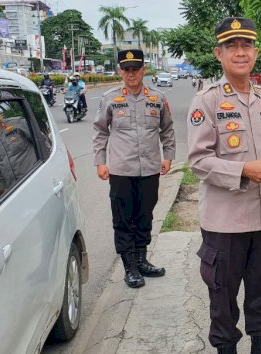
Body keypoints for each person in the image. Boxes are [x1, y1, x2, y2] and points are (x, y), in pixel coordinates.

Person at [186, 17, 261, 354]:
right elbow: (198, 160)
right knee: (223, 298)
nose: (241, 52)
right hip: (225, 223)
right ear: (219, 53)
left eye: (246, 45)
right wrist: (245, 169)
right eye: (232, 46)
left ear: (255, 52)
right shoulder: (208, 101)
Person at [92, 49, 176, 289]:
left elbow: (167, 129)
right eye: (126, 69)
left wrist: (168, 156)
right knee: (123, 218)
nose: (131, 74)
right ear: (120, 70)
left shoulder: (157, 98)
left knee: (144, 216)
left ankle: (141, 260)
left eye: (135, 69)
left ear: (144, 70)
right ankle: (129, 266)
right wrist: (100, 161)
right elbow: (100, 131)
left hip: (149, 168)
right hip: (121, 170)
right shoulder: (110, 98)